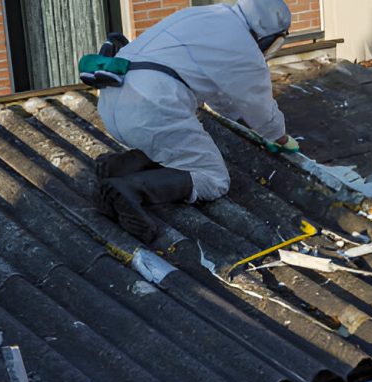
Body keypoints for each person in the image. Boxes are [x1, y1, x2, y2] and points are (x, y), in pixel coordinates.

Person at [93, 0, 297, 243]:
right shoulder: (243, 48)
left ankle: (118, 165)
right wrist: (277, 136)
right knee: (213, 178)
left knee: (177, 143)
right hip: (153, 110)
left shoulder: (202, 15)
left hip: (112, 100)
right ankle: (130, 189)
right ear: (269, 35)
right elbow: (258, 106)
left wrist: (247, 124)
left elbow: (223, 98)